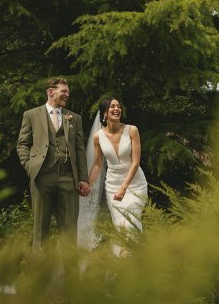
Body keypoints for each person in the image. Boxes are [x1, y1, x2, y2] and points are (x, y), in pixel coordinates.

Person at [17, 77, 90, 250]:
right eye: (63, 91)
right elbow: (22, 144)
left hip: (68, 178)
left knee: (70, 231)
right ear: (51, 92)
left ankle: (70, 275)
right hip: (42, 177)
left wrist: (83, 178)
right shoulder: (31, 115)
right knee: (40, 231)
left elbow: (80, 150)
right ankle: (40, 274)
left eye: (68, 92)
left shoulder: (74, 118)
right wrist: (29, 166)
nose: (67, 95)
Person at [87, 97, 148, 256]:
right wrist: (87, 184)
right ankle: (121, 263)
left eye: (118, 106)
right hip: (112, 186)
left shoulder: (132, 130)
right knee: (120, 225)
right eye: (112, 107)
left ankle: (134, 259)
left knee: (131, 222)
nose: (116, 109)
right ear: (105, 113)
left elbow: (135, 162)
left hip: (135, 185)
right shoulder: (98, 136)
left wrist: (124, 187)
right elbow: (98, 165)